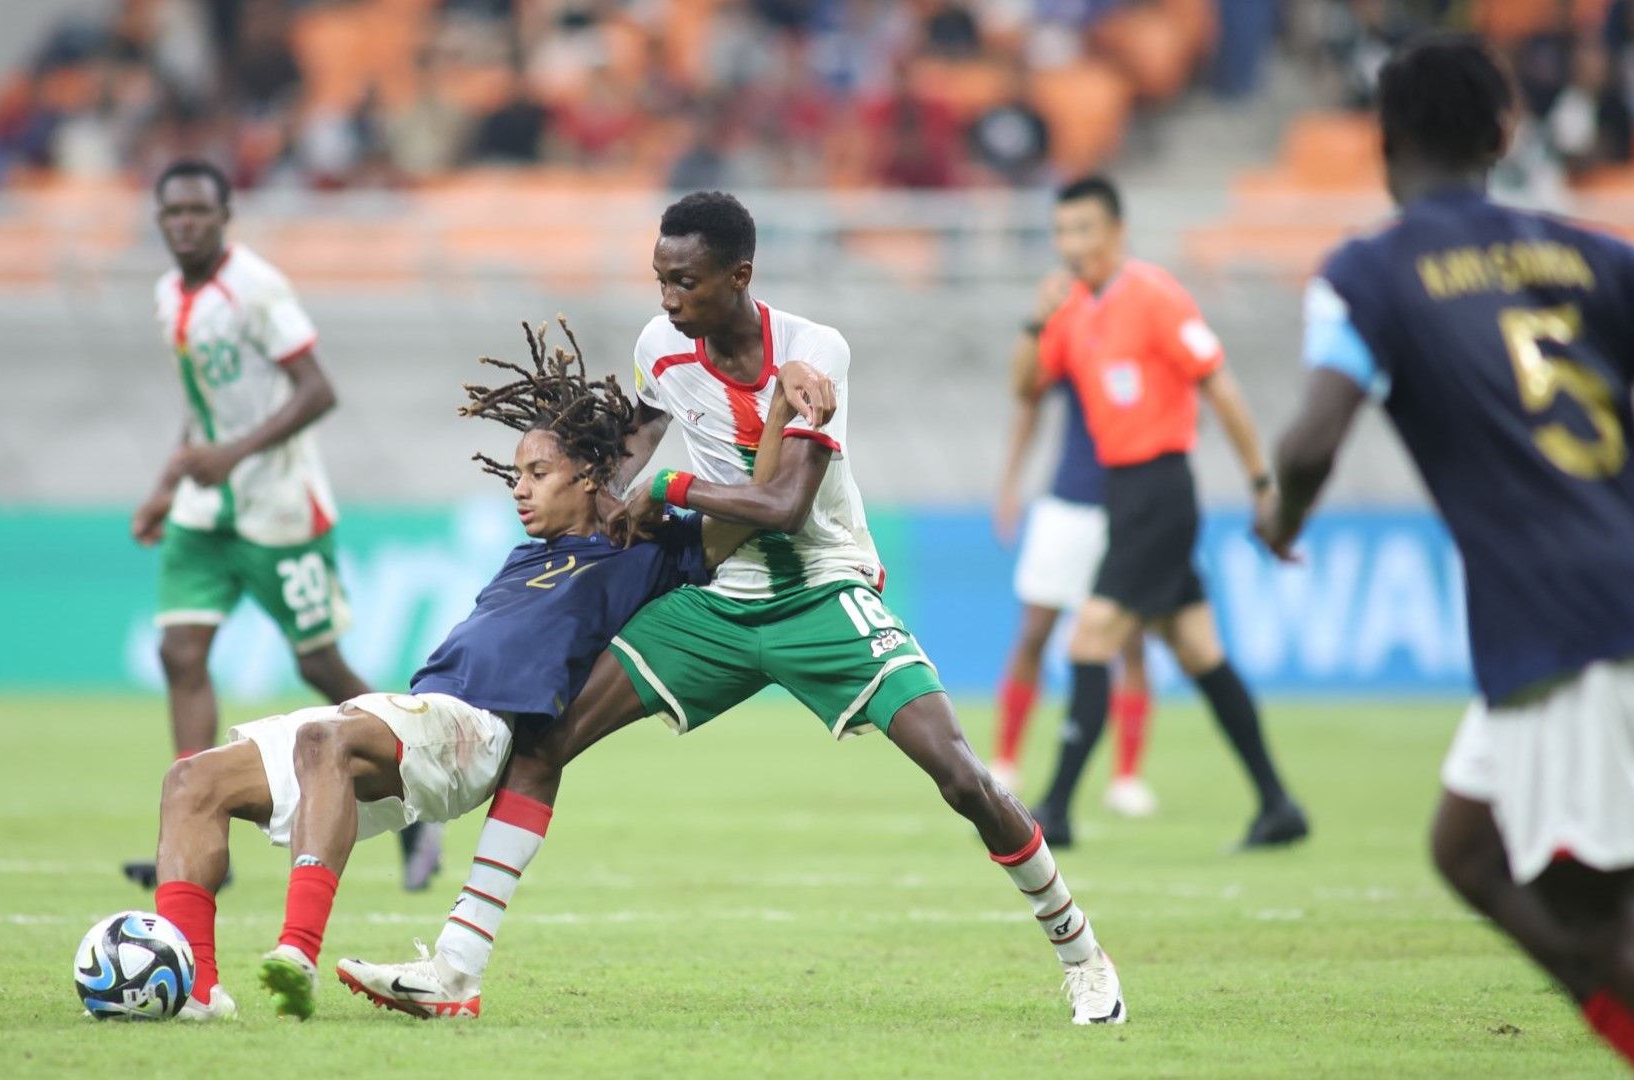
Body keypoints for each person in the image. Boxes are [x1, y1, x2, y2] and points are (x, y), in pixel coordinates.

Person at [336, 191, 1126, 1026]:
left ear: (739, 276)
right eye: (660, 280)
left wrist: (668, 489)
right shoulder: (659, 348)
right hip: (719, 599)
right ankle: (456, 969)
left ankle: (1084, 956)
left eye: (686, 282)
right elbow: (628, 458)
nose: (668, 300)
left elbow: (784, 504)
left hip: (821, 587)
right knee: (543, 741)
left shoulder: (816, 354)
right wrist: (576, 480)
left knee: (960, 774)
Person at [1255, 34, 1634, 1079]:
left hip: (1566, 621)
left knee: (1600, 923)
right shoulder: (1592, 254)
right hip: (1623, 597)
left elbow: (1310, 442)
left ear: (1383, 144)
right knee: (1466, 851)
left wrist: (1280, 524)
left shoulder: (1367, 272)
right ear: (1506, 136)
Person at [151, 319, 801, 1020]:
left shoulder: (642, 546)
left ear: (590, 475)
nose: (518, 489)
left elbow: (755, 511)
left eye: (537, 473)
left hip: (475, 733)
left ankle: (296, 954)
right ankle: (196, 992)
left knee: (325, 737)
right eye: (516, 473)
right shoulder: (530, 553)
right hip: (421, 720)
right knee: (192, 781)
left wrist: (785, 414)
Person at [122, 160, 444, 895]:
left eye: (199, 211)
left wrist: (231, 455)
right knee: (179, 652)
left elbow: (318, 389)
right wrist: (167, 485)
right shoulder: (168, 293)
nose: (185, 225)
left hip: (279, 512)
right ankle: (196, 836)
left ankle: (420, 794)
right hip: (205, 513)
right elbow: (203, 405)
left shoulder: (256, 287)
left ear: (226, 213)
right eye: (173, 213)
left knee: (322, 669)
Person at [1013, 176, 1307, 851]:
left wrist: (1263, 482)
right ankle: (1278, 804)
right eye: (1062, 233)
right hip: (1124, 494)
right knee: (1200, 651)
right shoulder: (1071, 309)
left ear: (1117, 232)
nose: (1072, 246)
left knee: (1090, 641)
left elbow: (1220, 387)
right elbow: (1025, 386)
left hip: (1162, 491)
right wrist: (1035, 321)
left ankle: (1053, 810)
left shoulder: (1154, 296)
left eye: (1084, 230)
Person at [994, 269, 1156, 817]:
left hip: (1128, 505)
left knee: (1129, 642)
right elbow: (1028, 401)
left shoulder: (1146, 336)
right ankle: (1005, 760)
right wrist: (1011, 485)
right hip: (1066, 504)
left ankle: (1127, 777)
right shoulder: (1074, 334)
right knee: (1034, 632)